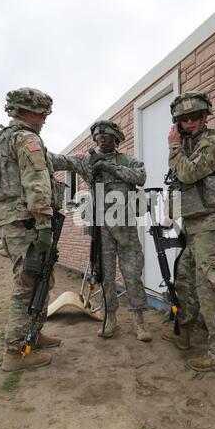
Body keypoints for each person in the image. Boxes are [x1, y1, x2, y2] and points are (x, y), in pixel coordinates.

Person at [0, 87, 65, 372]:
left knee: (39, 277)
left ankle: (34, 334)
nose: (44, 120)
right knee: (28, 284)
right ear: (28, 112)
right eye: (42, 114)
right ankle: (15, 352)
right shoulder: (27, 138)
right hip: (27, 221)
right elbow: (36, 183)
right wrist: (43, 224)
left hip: (10, 220)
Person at [49, 120, 152, 342]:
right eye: (97, 136)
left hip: (126, 229)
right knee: (105, 277)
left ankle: (139, 321)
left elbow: (141, 177)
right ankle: (110, 318)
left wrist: (109, 167)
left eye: (105, 135)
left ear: (116, 138)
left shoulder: (129, 160)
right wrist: (36, 152)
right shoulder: (88, 162)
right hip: (102, 230)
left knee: (133, 275)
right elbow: (63, 161)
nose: (100, 139)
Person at [161, 91, 215, 372]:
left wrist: (172, 146)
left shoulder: (212, 142)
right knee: (185, 281)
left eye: (196, 117)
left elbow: (187, 174)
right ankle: (183, 334)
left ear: (205, 116)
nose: (190, 122)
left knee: (213, 288)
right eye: (184, 118)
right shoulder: (188, 144)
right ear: (177, 121)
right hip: (195, 227)